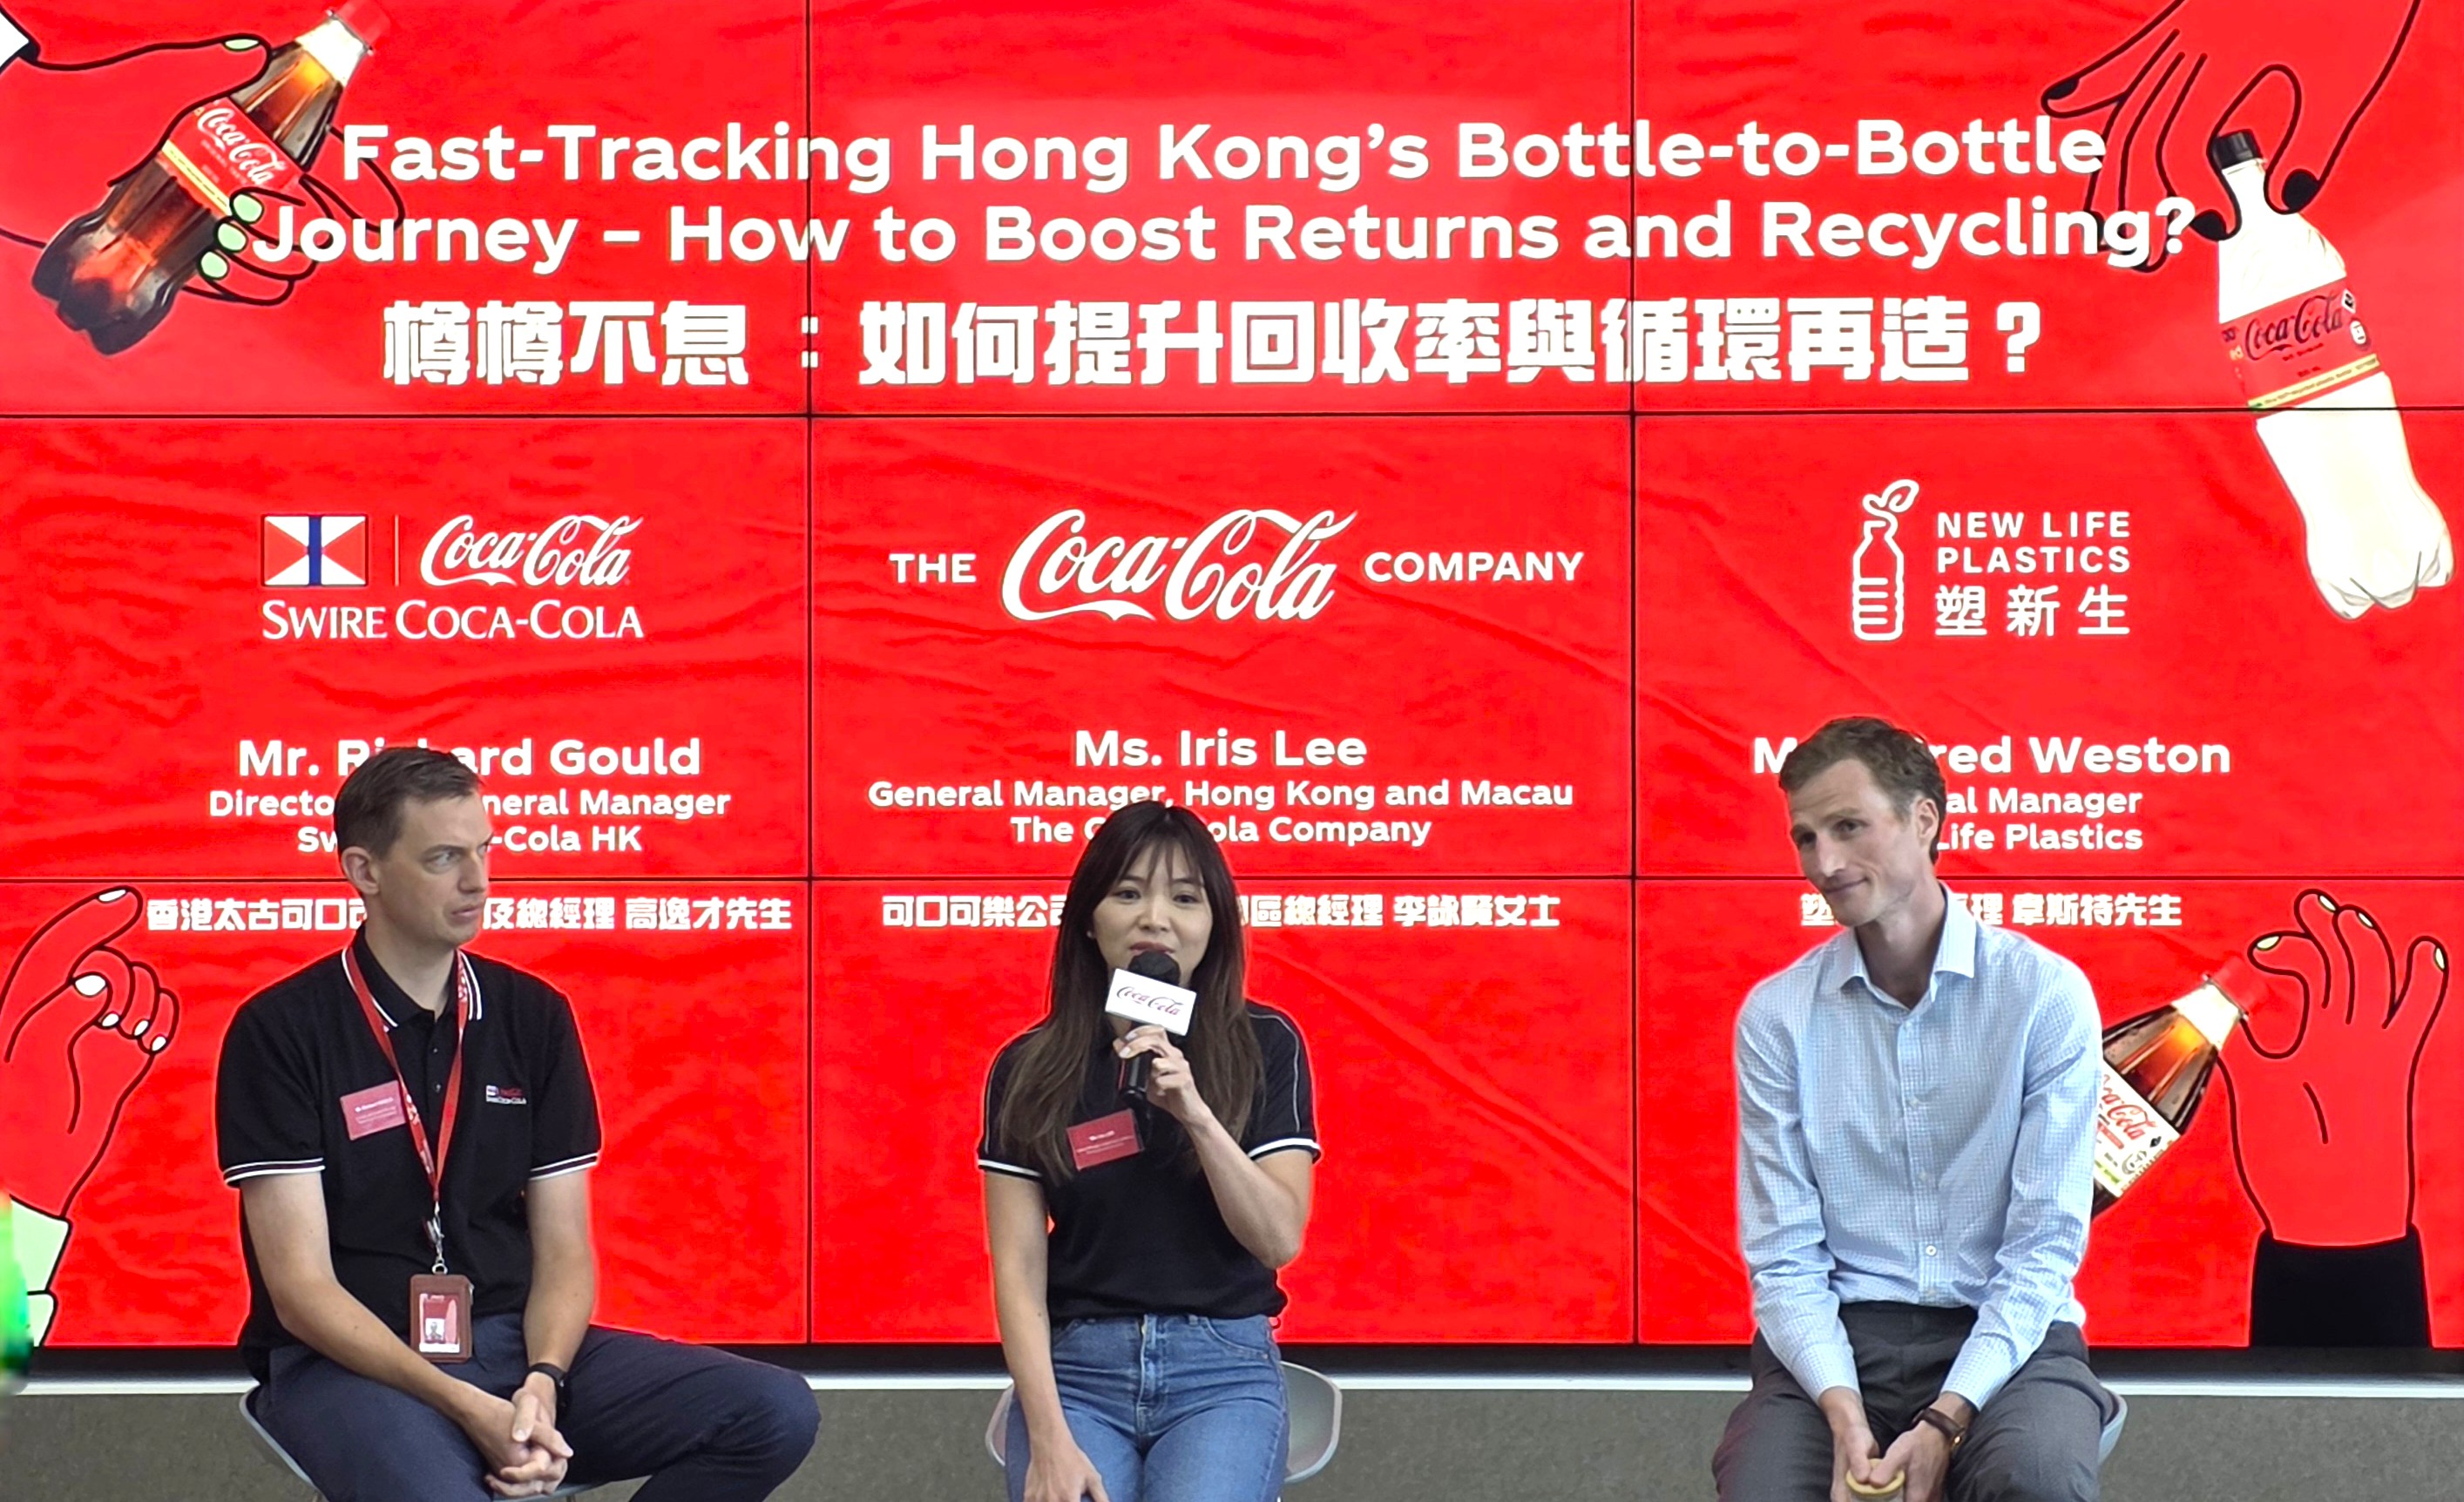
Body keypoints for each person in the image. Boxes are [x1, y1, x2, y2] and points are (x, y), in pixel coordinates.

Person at [215, 748, 816, 1501]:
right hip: (352, 1362)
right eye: (443, 858)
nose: (477, 881)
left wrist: (541, 1383)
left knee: (772, 1411)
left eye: (484, 851)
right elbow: (302, 1291)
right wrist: (470, 1408)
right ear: (364, 871)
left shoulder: (534, 1015)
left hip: (513, 1344)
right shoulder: (282, 1029)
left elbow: (565, 1251)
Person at [1714, 718, 2117, 1502]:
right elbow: (1783, 1258)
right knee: (1762, 1487)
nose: (1824, 863)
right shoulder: (1777, 1016)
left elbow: (2043, 1247)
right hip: (1841, 1341)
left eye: (1848, 826)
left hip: (2008, 1338)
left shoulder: (2043, 995)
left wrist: (1944, 1421)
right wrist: (1841, 1413)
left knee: (2036, 1479)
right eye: (1805, 838)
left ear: (1924, 819)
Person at [979, 802, 1319, 1502]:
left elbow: (1277, 1238)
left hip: (1220, 1368)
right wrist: (1047, 1439)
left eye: (1184, 898)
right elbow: (1016, 1266)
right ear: (1088, 917)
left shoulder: (1265, 1044)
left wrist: (1194, 1114)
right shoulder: (1030, 1066)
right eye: (1128, 893)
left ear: (1213, 924)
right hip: (1077, 1372)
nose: (1154, 918)